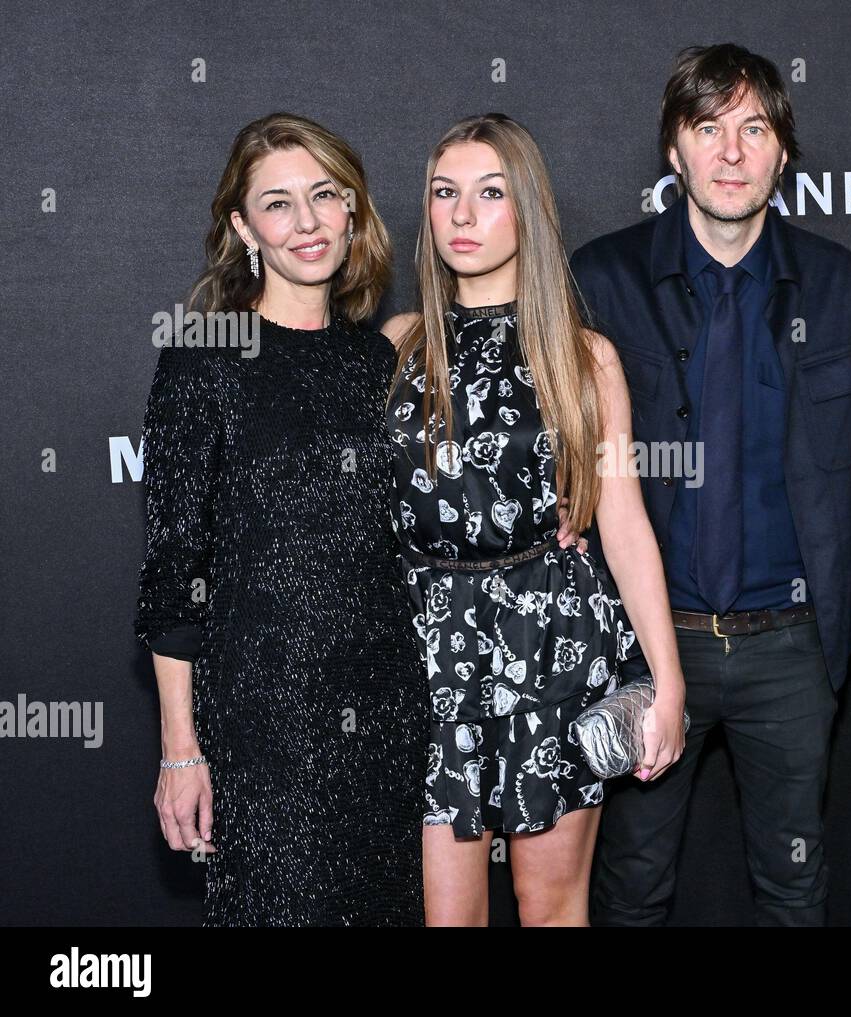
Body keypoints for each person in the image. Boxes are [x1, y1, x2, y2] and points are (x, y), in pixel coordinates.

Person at [570, 44, 851, 926]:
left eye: (755, 129)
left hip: (790, 647)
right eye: (709, 128)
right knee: (631, 886)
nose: (732, 152)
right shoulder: (604, 279)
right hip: (649, 642)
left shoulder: (841, 285)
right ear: (675, 151)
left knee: (794, 888)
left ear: (784, 152)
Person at [381, 112, 686, 927]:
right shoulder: (398, 347)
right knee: (448, 917)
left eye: (490, 192)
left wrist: (667, 678)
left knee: (549, 907)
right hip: (429, 656)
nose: (463, 214)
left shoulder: (584, 357)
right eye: (445, 193)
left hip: (552, 646)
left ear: (529, 210)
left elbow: (624, 525)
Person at [134, 112, 428, 925]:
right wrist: (181, 748)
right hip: (262, 726)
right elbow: (173, 571)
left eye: (324, 196)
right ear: (242, 226)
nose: (307, 223)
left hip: (390, 712)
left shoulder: (378, 363)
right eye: (278, 203)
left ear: (352, 209)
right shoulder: (204, 359)